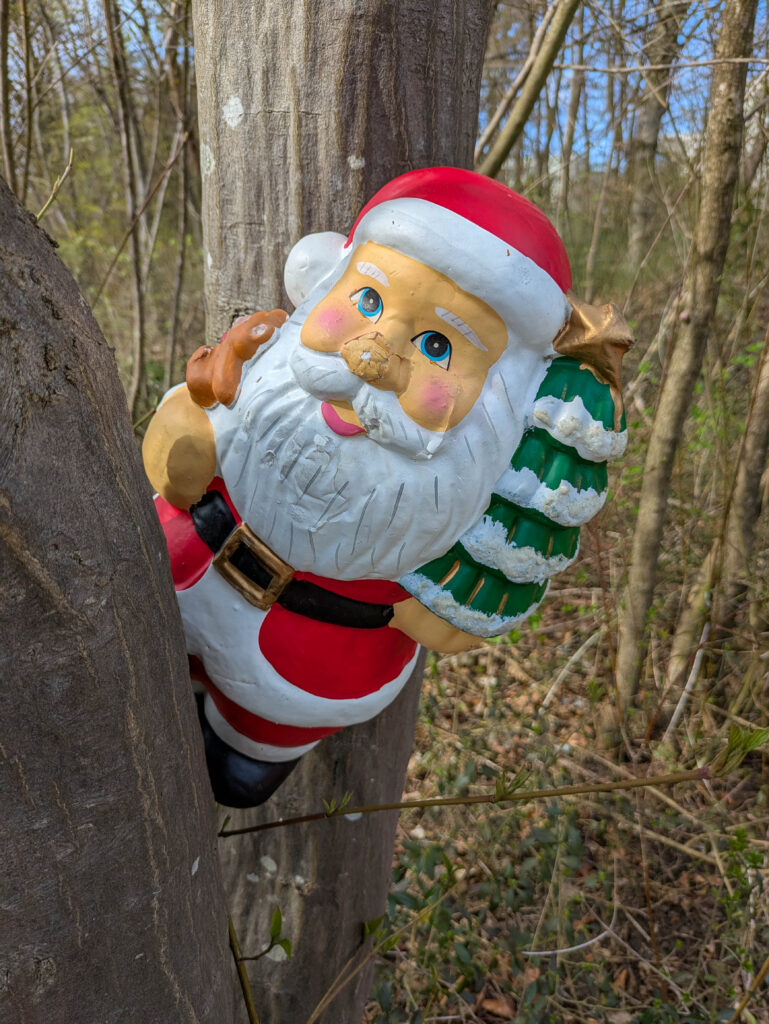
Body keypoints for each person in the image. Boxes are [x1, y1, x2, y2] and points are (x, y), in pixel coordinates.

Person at [143, 166, 633, 807]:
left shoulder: (470, 490)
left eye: (436, 344)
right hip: (177, 573)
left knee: (238, 768)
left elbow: (456, 619)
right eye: (367, 301)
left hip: (310, 659)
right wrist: (188, 429)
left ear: (502, 399)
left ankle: (249, 743)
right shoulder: (261, 374)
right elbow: (176, 457)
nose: (370, 356)